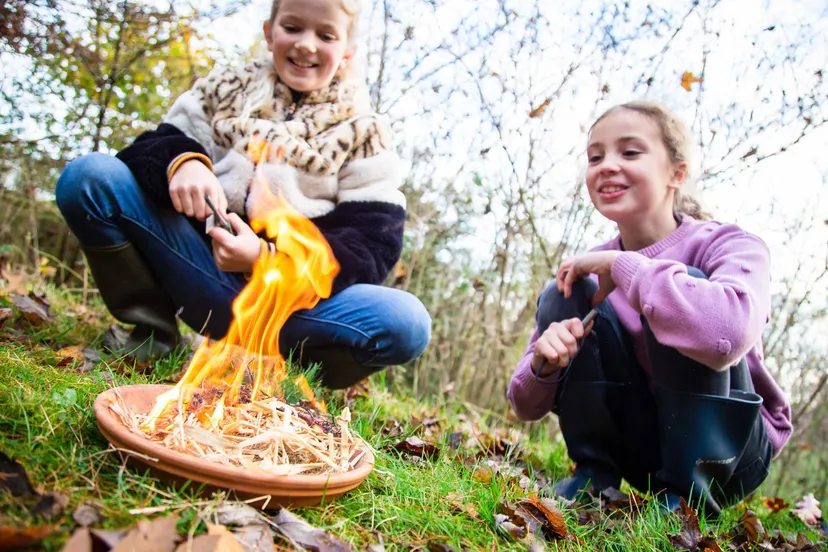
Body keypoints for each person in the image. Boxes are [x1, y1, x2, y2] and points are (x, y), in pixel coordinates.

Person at [55, 0, 431, 389]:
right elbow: (151, 146)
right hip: (197, 270)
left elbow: (373, 241)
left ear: (347, 51)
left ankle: (292, 380)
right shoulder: (224, 89)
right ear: (269, 32)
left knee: (406, 322)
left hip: (290, 307)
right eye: (292, 27)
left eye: (325, 35)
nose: (306, 45)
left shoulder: (364, 132)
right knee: (90, 176)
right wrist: (183, 161)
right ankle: (153, 336)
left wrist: (267, 259)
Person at [507, 100, 792, 515]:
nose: (606, 165)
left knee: (688, 284)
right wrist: (545, 365)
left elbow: (722, 335)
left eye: (630, 152)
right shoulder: (591, 269)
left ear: (677, 173)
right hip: (642, 449)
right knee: (563, 291)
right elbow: (524, 404)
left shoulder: (730, 245)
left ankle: (687, 501)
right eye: (595, 156)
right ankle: (594, 476)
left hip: (729, 455)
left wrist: (627, 268)